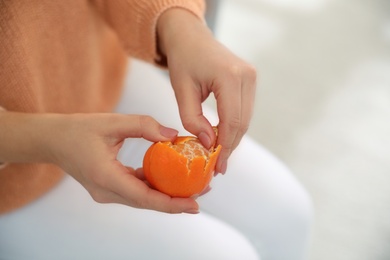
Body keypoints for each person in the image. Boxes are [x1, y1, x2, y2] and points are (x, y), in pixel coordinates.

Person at [0, 1, 312, 259]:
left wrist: (179, 23)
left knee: (290, 214)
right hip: (15, 168)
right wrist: (47, 140)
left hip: (99, 71)